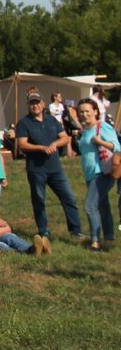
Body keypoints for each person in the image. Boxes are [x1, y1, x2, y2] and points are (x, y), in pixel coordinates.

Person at [15, 91, 83, 254]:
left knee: (69, 198)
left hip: (55, 169)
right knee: (39, 200)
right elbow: (22, 144)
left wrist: (54, 144)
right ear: (28, 105)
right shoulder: (24, 123)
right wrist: (41, 148)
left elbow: (65, 138)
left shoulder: (52, 120)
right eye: (32, 103)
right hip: (36, 169)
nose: (35, 105)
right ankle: (43, 230)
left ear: (43, 104)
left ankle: (76, 230)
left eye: (37, 102)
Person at [76, 99, 119, 252]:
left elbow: (117, 147)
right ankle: (109, 238)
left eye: (87, 111)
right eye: (81, 111)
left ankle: (96, 241)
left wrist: (100, 141)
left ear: (95, 111)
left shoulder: (103, 127)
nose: (84, 114)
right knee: (103, 206)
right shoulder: (85, 130)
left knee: (90, 206)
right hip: (90, 173)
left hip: (102, 172)